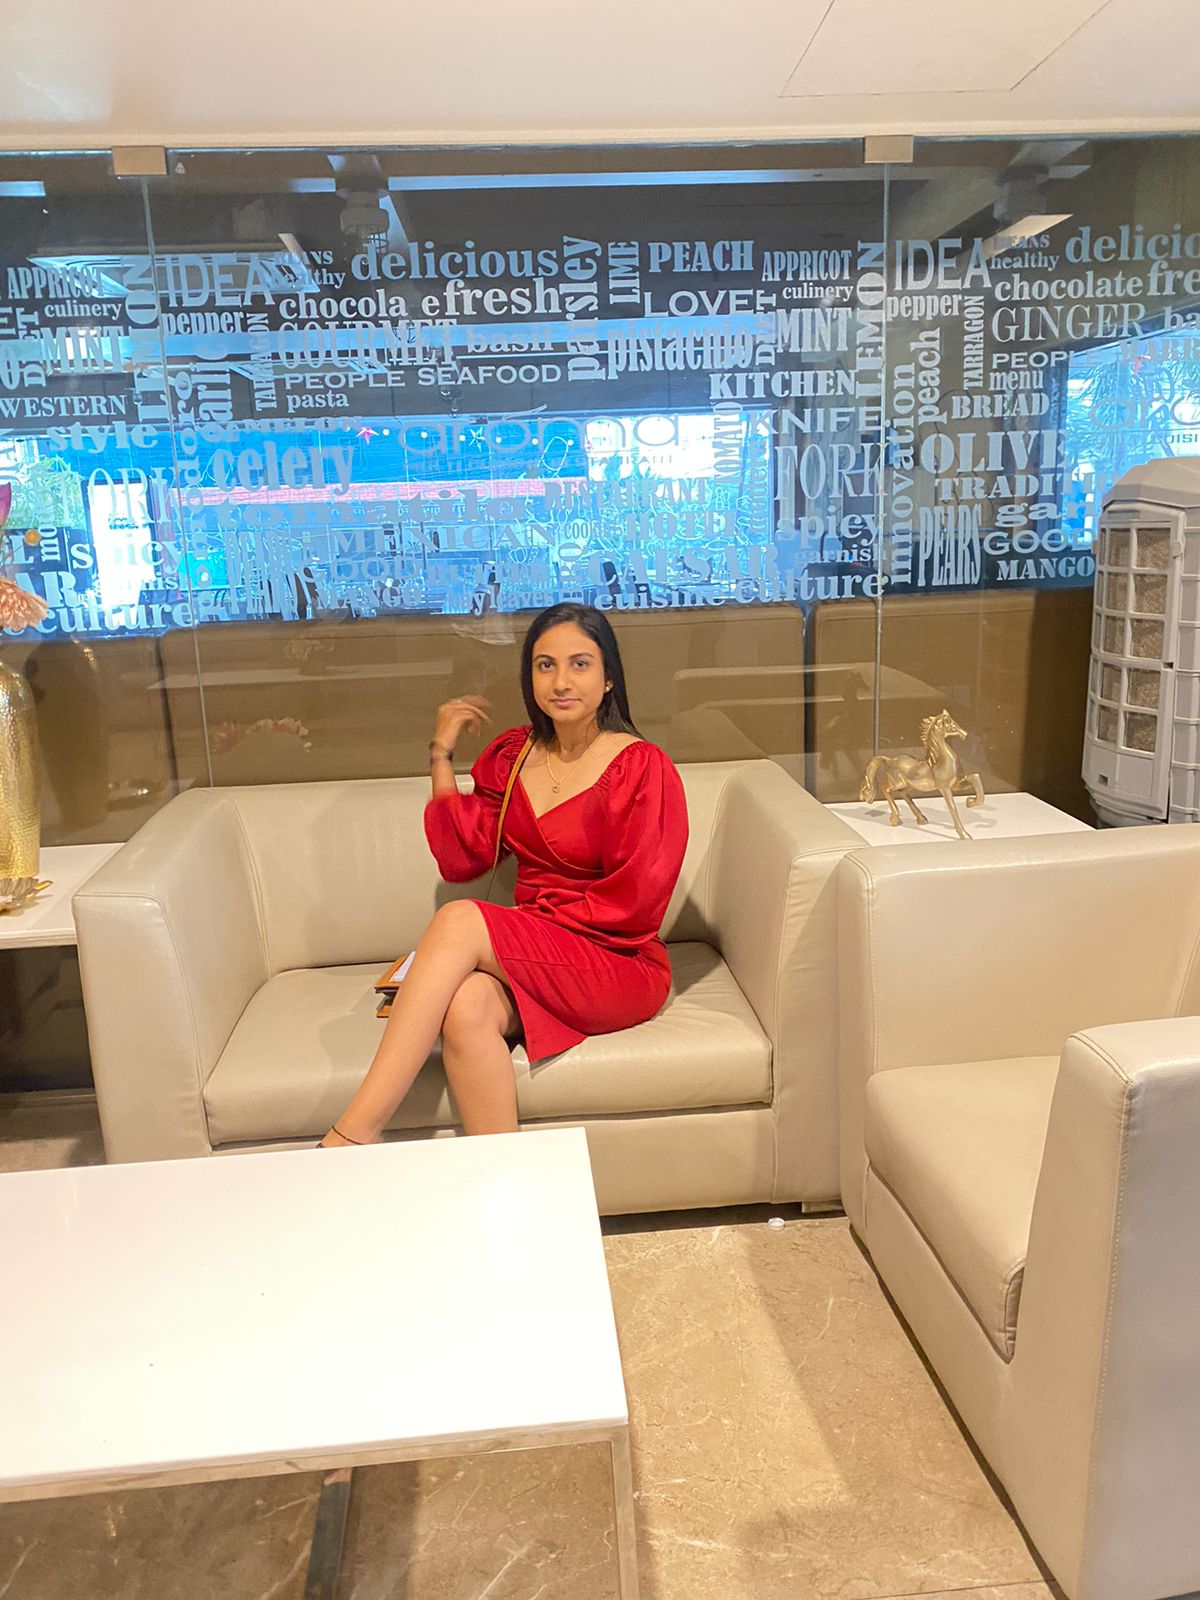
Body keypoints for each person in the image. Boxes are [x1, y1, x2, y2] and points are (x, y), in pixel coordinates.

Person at [318, 602, 689, 1147]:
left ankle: (351, 1135)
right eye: (545, 665)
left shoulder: (642, 767)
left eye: (580, 664)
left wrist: (528, 930)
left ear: (609, 677)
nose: (560, 682)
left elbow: (638, 903)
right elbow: (463, 857)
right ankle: (504, 1177)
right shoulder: (515, 755)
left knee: (460, 919)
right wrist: (441, 754)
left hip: (616, 960)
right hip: (541, 953)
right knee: (466, 1008)